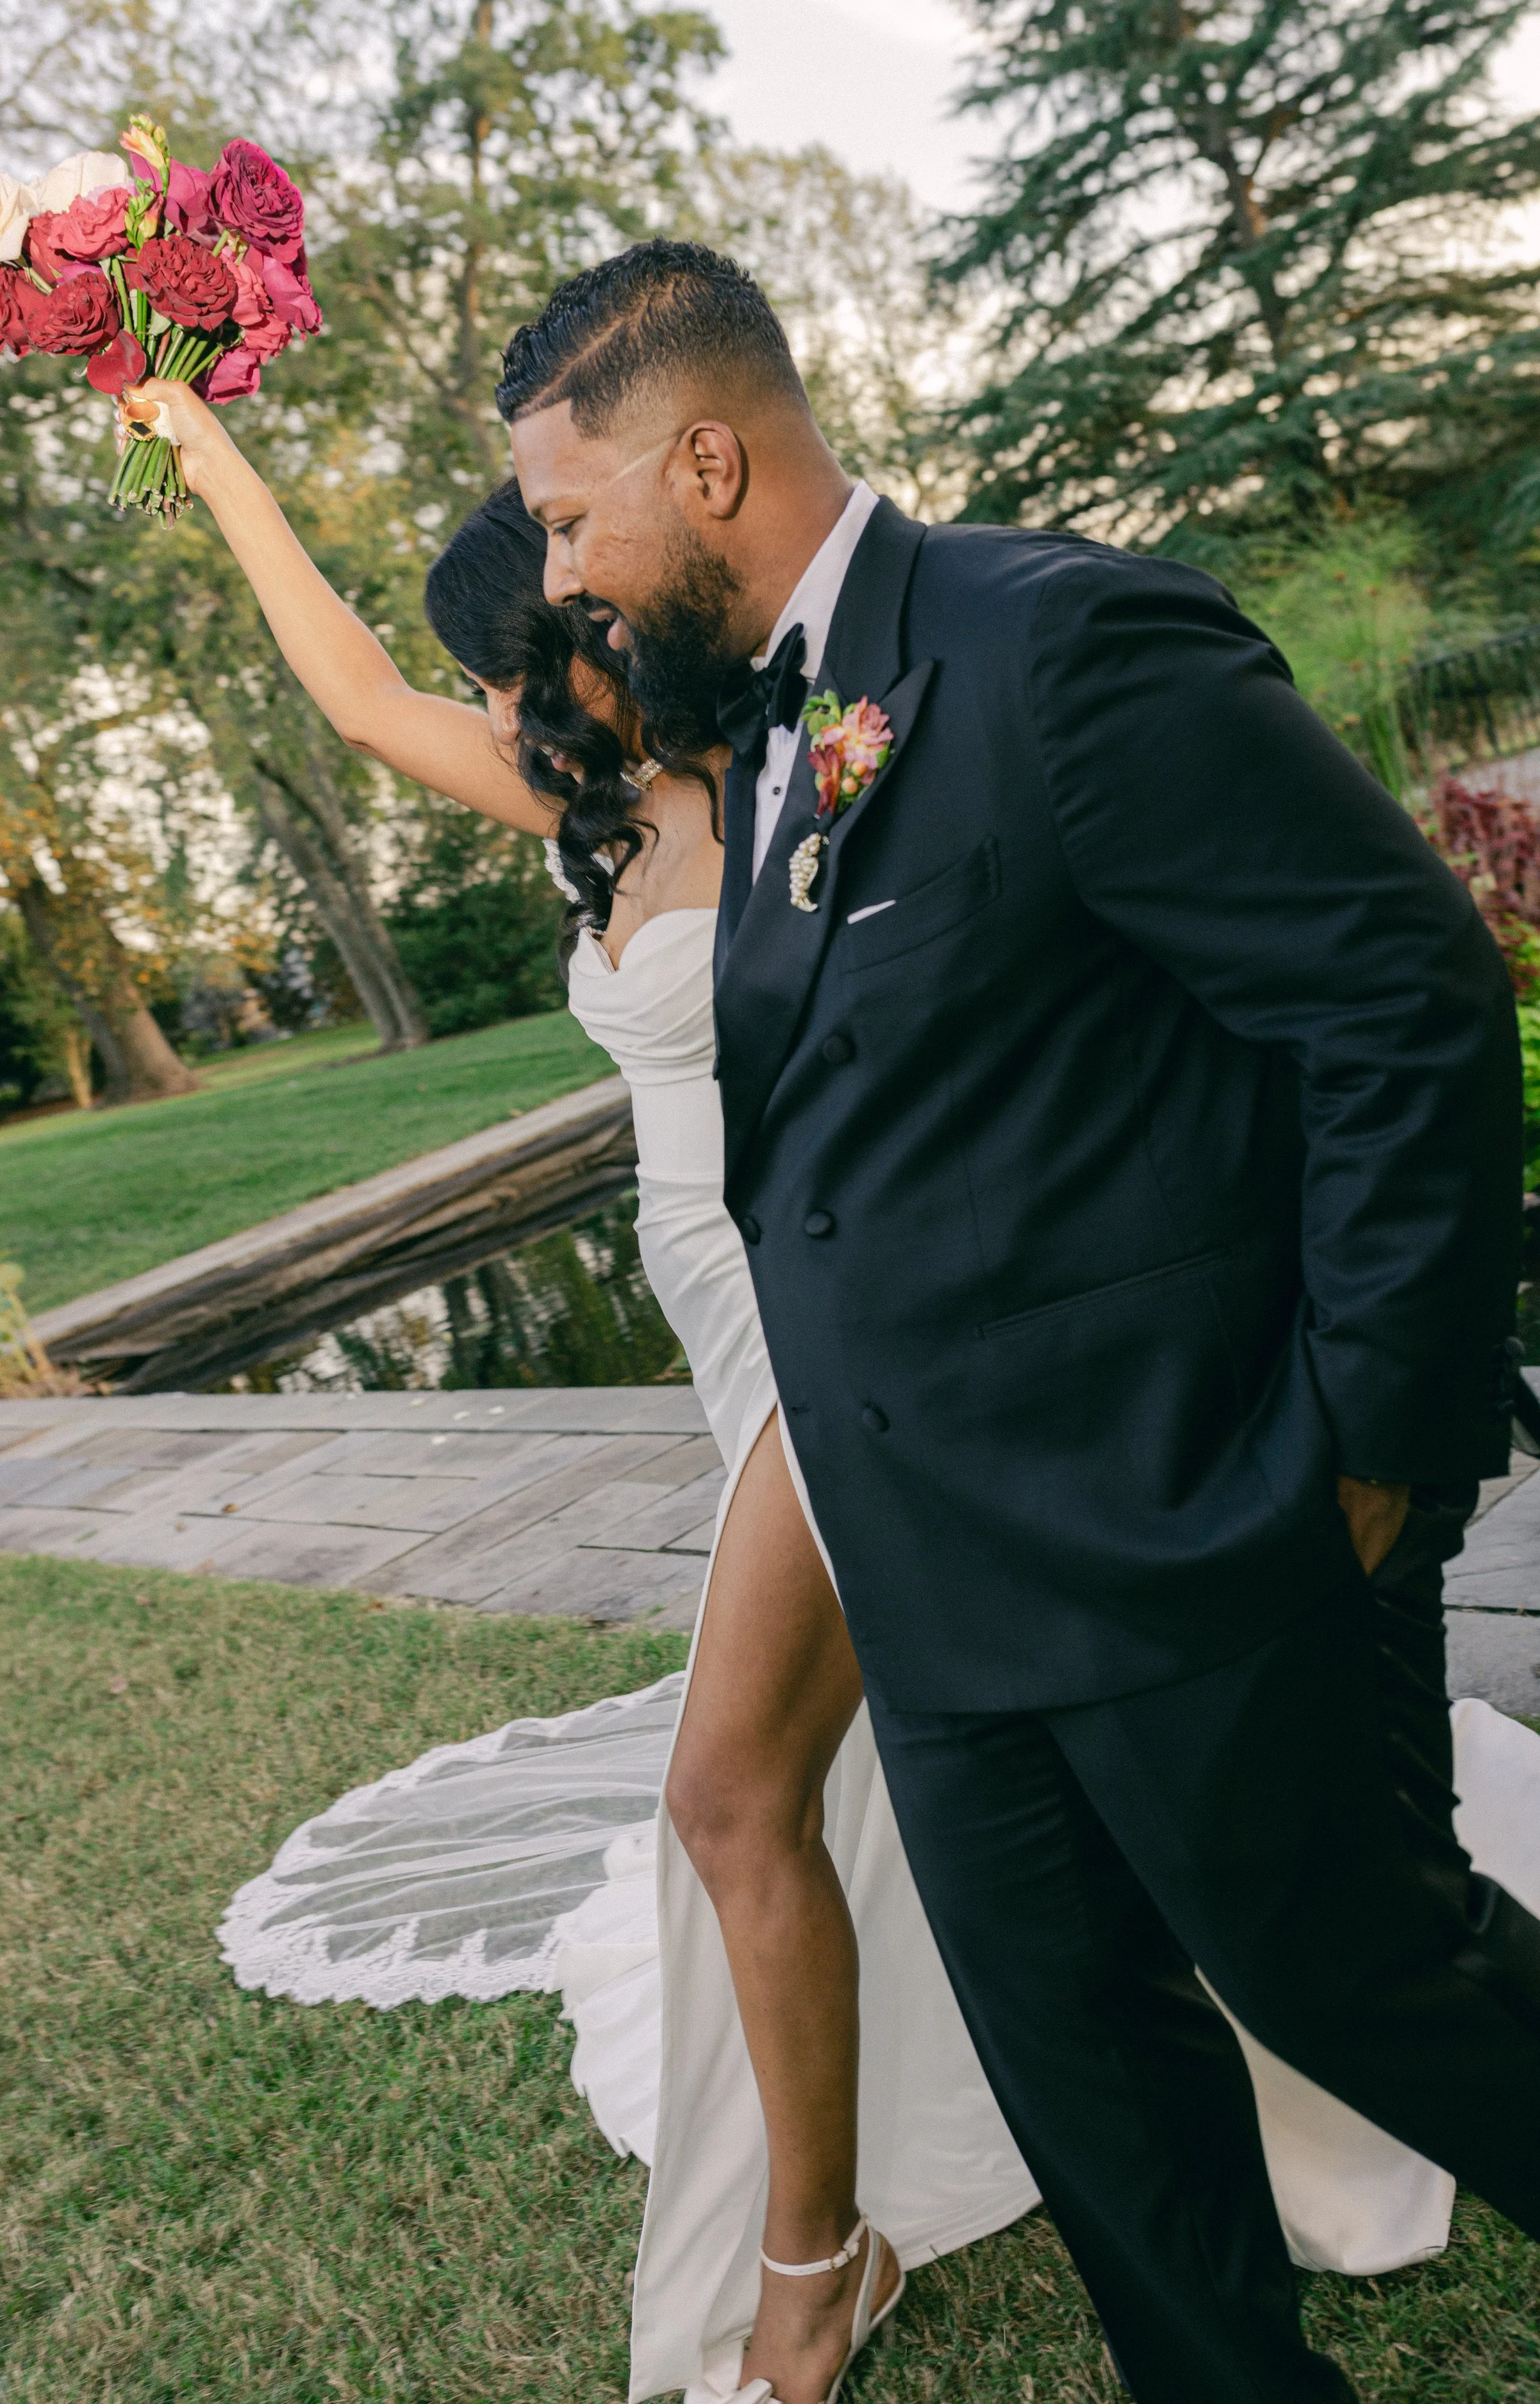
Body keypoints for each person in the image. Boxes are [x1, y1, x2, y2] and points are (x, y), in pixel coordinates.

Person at [490, 237, 1540, 2403]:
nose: (566, 580)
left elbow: (1402, 1002)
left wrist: (1367, 1451)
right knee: (1089, 2078)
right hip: (938, 1584)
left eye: (576, 520)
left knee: (1370, 1986)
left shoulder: (1054, 643)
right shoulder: (758, 726)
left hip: (1191, 1527)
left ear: (706, 460)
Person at [130, 380, 1031, 2404]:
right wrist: (204, 452)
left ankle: (817, 2260)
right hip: (721, 1331)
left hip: (840, 1324)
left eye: (549, 634)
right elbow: (356, 703)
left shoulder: (797, 776)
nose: (531, 677)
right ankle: (1001, 2052)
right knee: (867, 1758)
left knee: (728, 1792)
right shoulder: (595, 810)